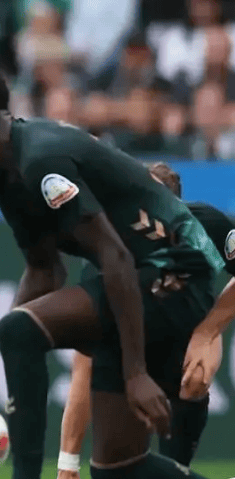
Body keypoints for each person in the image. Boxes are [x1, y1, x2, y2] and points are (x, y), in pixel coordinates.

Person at [0, 57, 222, 479]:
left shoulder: (41, 160)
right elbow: (46, 271)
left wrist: (135, 373)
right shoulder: (6, 175)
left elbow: (116, 255)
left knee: (21, 330)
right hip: (135, 284)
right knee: (119, 469)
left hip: (174, 273)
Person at [57, 162, 235, 478]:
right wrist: (67, 464)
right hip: (131, 350)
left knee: (192, 375)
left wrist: (207, 332)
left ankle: (178, 464)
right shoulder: (105, 256)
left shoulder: (206, 224)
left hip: (187, 328)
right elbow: (84, 365)